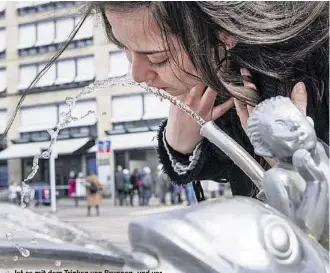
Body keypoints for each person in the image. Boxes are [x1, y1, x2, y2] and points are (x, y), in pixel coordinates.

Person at [3, 3, 328, 201]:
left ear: (225, 32)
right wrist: (180, 142)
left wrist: (302, 169)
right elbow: (233, 169)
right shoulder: (217, 72)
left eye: (155, 58)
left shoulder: (311, 69)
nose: (138, 74)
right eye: (124, 48)